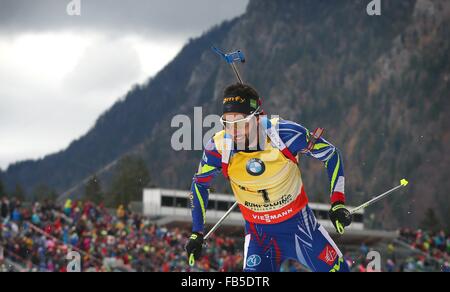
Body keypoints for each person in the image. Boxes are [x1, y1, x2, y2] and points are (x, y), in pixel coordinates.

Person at [186, 83, 352, 272]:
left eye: (240, 123)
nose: (234, 131)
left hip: (301, 229)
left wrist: (337, 203)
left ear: (257, 117)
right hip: (260, 237)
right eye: (227, 123)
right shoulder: (217, 147)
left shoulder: (285, 135)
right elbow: (199, 185)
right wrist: (196, 233)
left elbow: (331, 154)